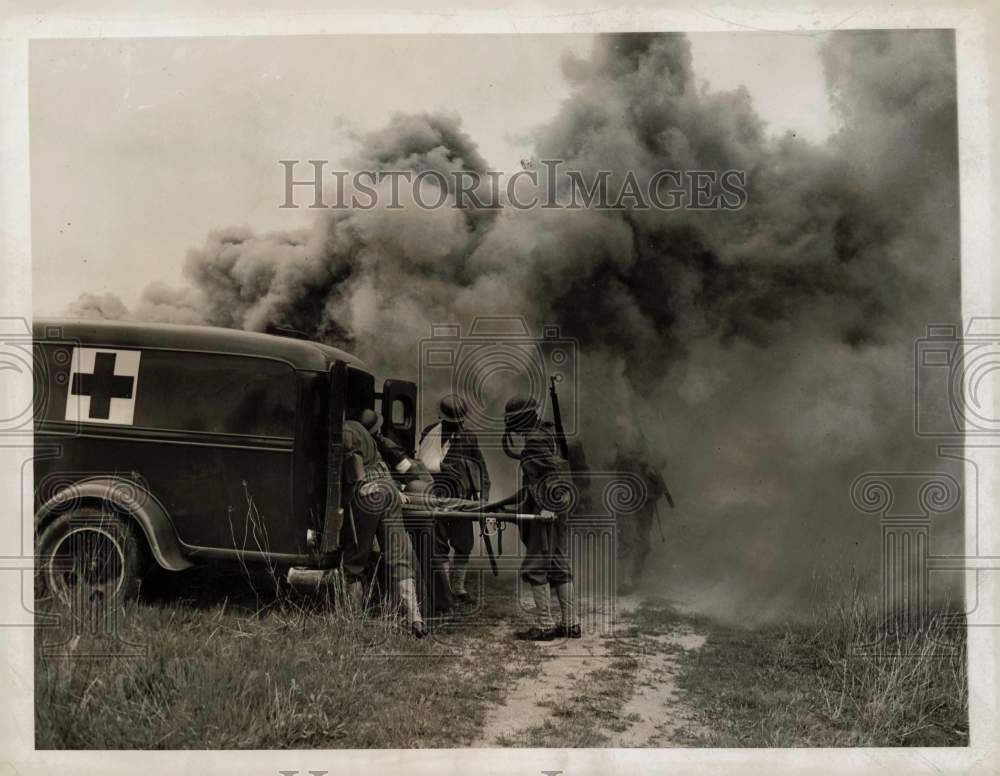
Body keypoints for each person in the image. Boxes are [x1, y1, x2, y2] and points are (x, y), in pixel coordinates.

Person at [495, 393, 580, 640]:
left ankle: (544, 626)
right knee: (557, 562)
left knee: (536, 564)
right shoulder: (546, 433)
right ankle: (570, 624)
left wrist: (549, 506)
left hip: (547, 504)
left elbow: (556, 471)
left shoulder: (534, 439)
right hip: (556, 504)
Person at [359, 408, 455, 616]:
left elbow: (410, 472)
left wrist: (398, 488)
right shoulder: (371, 447)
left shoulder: (386, 446)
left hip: (417, 493)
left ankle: (440, 603)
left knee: (424, 549)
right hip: (402, 496)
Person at [340, 416, 427, 638]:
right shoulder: (363, 429)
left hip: (368, 494)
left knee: (354, 563)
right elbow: (381, 465)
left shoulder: (345, 430)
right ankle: (415, 618)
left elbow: (353, 461)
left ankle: (355, 624)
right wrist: (394, 492)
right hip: (388, 490)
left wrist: (359, 485)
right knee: (399, 557)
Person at [416, 394, 491, 605]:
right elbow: (420, 464)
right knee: (439, 545)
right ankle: (445, 590)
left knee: (464, 543)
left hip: (462, 499)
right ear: (443, 418)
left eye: (458, 421)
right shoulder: (429, 433)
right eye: (451, 422)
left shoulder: (468, 438)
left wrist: (484, 498)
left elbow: (481, 469)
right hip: (436, 496)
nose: (455, 425)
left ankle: (458, 588)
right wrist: (441, 468)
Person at [612, 434, 674, 595]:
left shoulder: (650, 442)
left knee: (644, 543)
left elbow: (663, 461)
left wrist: (654, 464)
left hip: (647, 501)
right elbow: (612, 463)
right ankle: (625, 581)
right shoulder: (624, 446)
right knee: (626, 539)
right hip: (627, 500)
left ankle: (636, 577)